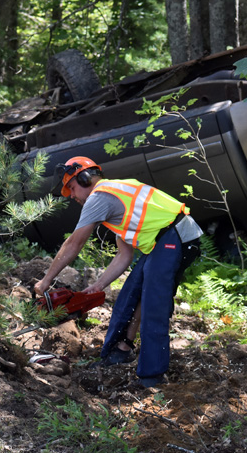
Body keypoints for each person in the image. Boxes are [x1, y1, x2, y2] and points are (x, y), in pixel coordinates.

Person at [34, 156, 203, 388]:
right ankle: (120, 350)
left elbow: (73, 243)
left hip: (177, 237)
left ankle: (151, 376)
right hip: (162, 242)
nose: (72, 196)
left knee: (154, 304)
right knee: (131, 294)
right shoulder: (115, 198)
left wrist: (46, 280)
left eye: (71, 188)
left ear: (84, 178)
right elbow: (124, 255)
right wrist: (97, 286)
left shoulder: (100, 197)